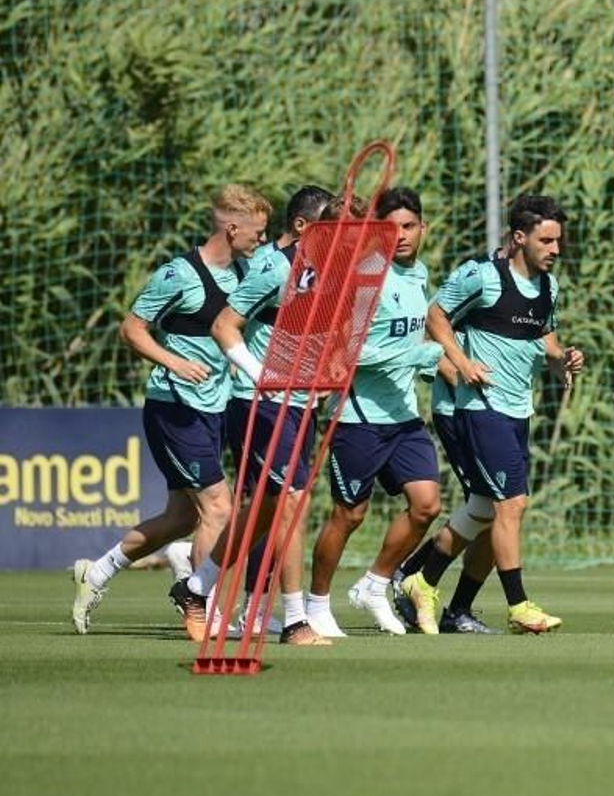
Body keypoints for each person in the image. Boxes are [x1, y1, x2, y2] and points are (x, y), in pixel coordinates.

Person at [71, 185, 271, 634]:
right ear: (232, 228)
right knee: (218, 507)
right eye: (256, 232)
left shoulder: (247, 272)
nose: (261, 239)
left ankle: (97, 572)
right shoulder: (179, 274)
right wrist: (176, 362)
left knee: (182, 517)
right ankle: (203, 609)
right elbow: (132, 329)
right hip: (174, 406)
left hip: (215, 407)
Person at [398, 195, 583, 636]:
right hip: (477, 406)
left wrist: (562, 359)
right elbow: (435, 316)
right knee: (509, 505)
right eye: (547, 240)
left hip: (518, 406)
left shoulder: (547, 286)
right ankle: (518, 604)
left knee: (485, 508)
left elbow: (544, 338)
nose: (556, 249)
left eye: (559, 240)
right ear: (519, 238)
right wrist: (461, 363)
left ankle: (423, 582)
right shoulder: (482, 276)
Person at [190, 184, 337, 647]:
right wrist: (262, 377)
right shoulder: (274, 269)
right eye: (330, 229)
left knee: (269, 509)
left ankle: (196, 587)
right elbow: (223, 326)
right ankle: (295, 620)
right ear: (302, 227)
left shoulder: (327, 271)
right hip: (262, 403)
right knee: (289, 503)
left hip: (301, 405)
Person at [304, 186, 444, 637]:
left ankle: (373, 584)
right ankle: (315, 603)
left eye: (408, 226)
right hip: (358, 415)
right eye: (391, 228)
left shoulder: (418, 275)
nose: (400, 236)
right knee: (349, 515)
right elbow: (348, 356)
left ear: (423, 229)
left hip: (403, 418)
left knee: (426, 505)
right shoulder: (367, 276)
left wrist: (422, 366)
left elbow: (405, 341)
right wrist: (419, 357)